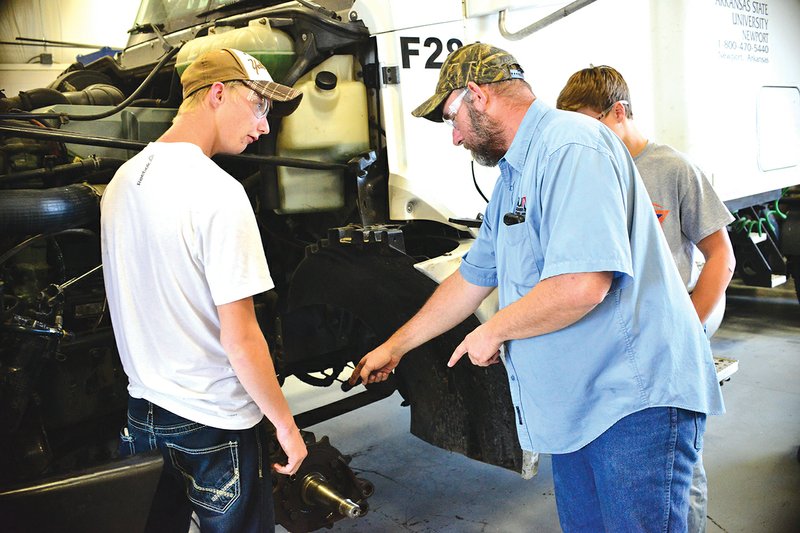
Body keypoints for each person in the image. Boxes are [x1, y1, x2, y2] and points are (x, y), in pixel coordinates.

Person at [348, 43, 725, 532]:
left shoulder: (572, 145)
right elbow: (471, 278)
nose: (456, 138)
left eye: (451, 118)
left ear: (478, 96)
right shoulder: (513, 177)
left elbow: (584, 283)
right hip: (579, 410)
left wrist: (494, 331)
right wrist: (394, 347)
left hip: (634, 405)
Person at [101, 48, 307, 532]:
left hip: (144, 411)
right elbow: (241, 339)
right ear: (217, 93)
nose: (263, 126)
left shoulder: (120, 183)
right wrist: (285, 423)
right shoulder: (218, 193)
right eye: (259, 105)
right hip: (214, 422)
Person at [556, 65, 736, 533]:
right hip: (612, 354)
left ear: (620, 112)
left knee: (677, 476)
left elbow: (721, 256)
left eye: (590, 126)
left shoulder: (672, 168)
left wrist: (691, 324)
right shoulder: (586, 170)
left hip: (666, 351)